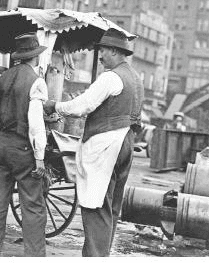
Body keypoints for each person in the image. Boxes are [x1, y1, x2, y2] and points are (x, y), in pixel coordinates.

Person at [44, 28, 144, 257]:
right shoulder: (135, 79)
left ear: (115, 51)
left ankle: (95, 256)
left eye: (104, 51)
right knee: (111, 206)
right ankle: (101, 254)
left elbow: (83, 106)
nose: (100, 56)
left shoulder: (111, 77)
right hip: (126, 142)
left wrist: (55, 105)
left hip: (107, 143)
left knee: (95, 205)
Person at [0, 32, 48, 257]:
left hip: (0, 144)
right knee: (33, 205)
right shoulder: (36, 81)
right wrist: (39, 156)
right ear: (36, 57)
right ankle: (34, 255)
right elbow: (36, 124)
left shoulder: (1, 78)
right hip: (22, 149)